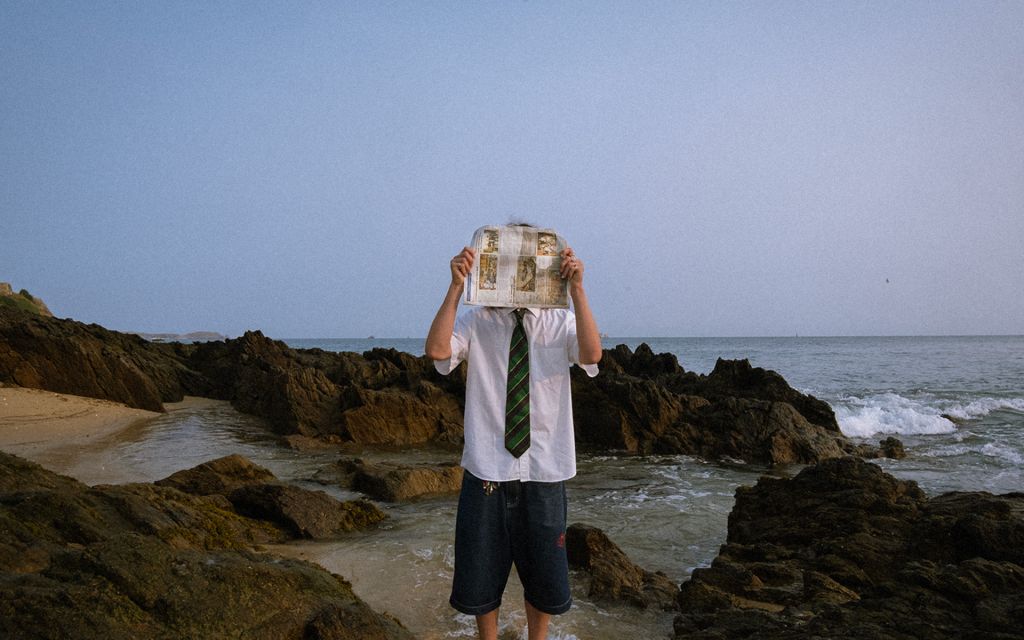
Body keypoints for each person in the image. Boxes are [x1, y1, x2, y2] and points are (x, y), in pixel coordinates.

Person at [425, 241, 602, 640]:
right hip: (487, 466)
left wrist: (578, 289)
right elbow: (437, 350)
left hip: (545, 467)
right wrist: (456, 286)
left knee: (544, 572)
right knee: (480, 571)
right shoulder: (478, 320)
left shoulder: (560, 322)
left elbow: (592, 354)